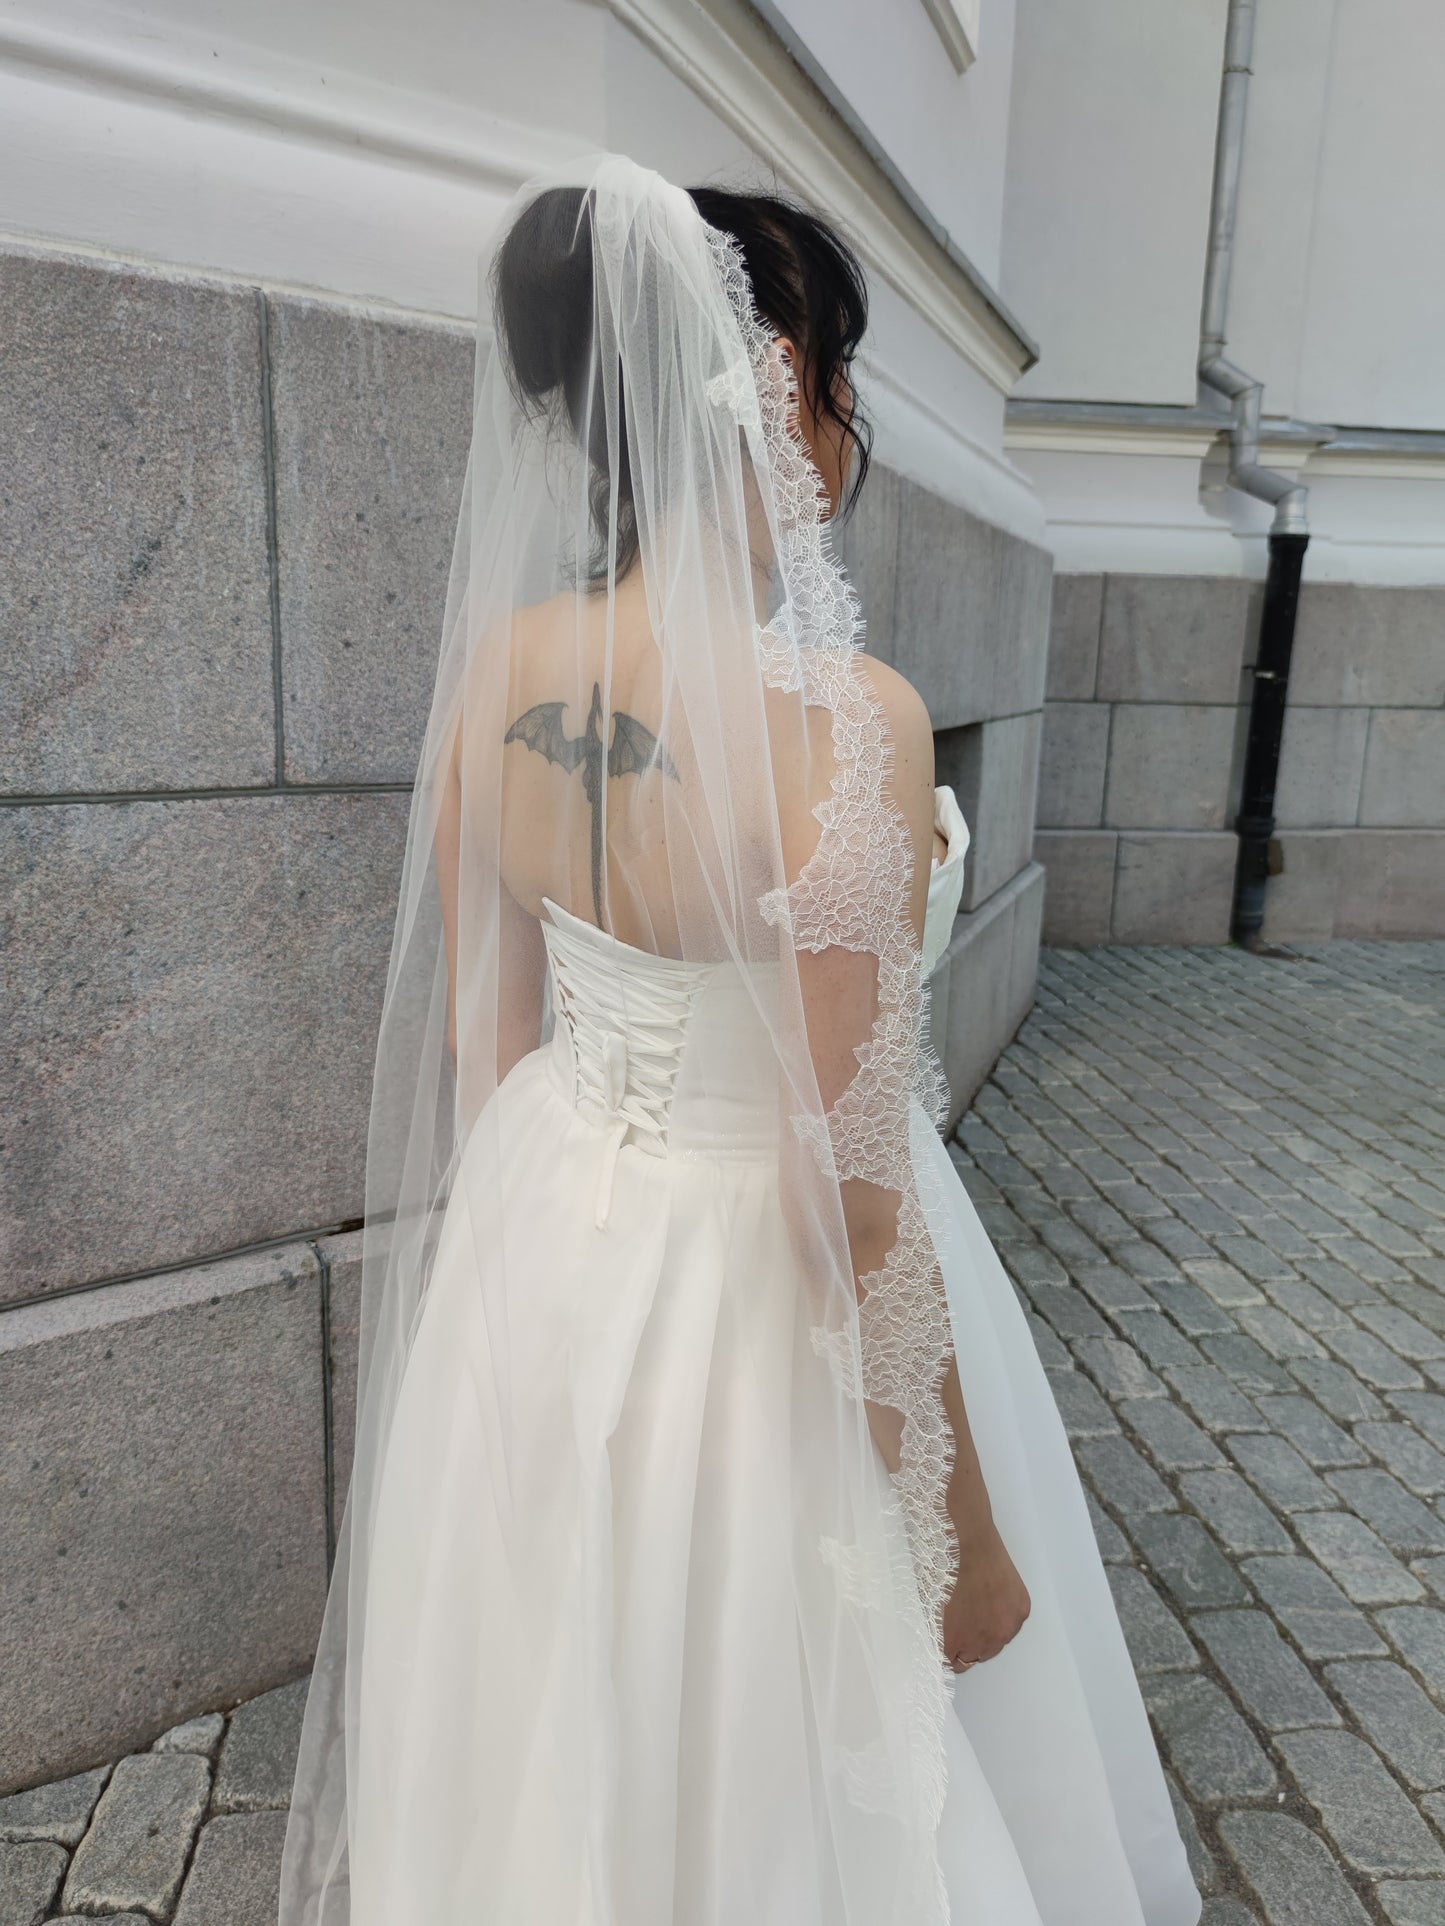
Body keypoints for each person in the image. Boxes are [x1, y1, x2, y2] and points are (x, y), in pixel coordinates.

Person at [277, 153, 1202, 1926]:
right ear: (774, 382)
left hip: (541, 1226)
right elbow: (844, 1189)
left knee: (564, 1678)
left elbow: (492, 1036)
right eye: (838, 370)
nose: (848, 415)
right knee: (760, 1698)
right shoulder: (847, 723)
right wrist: (962, 1538)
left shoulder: (500, 674)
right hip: (755, 1278)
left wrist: (538, 1266)